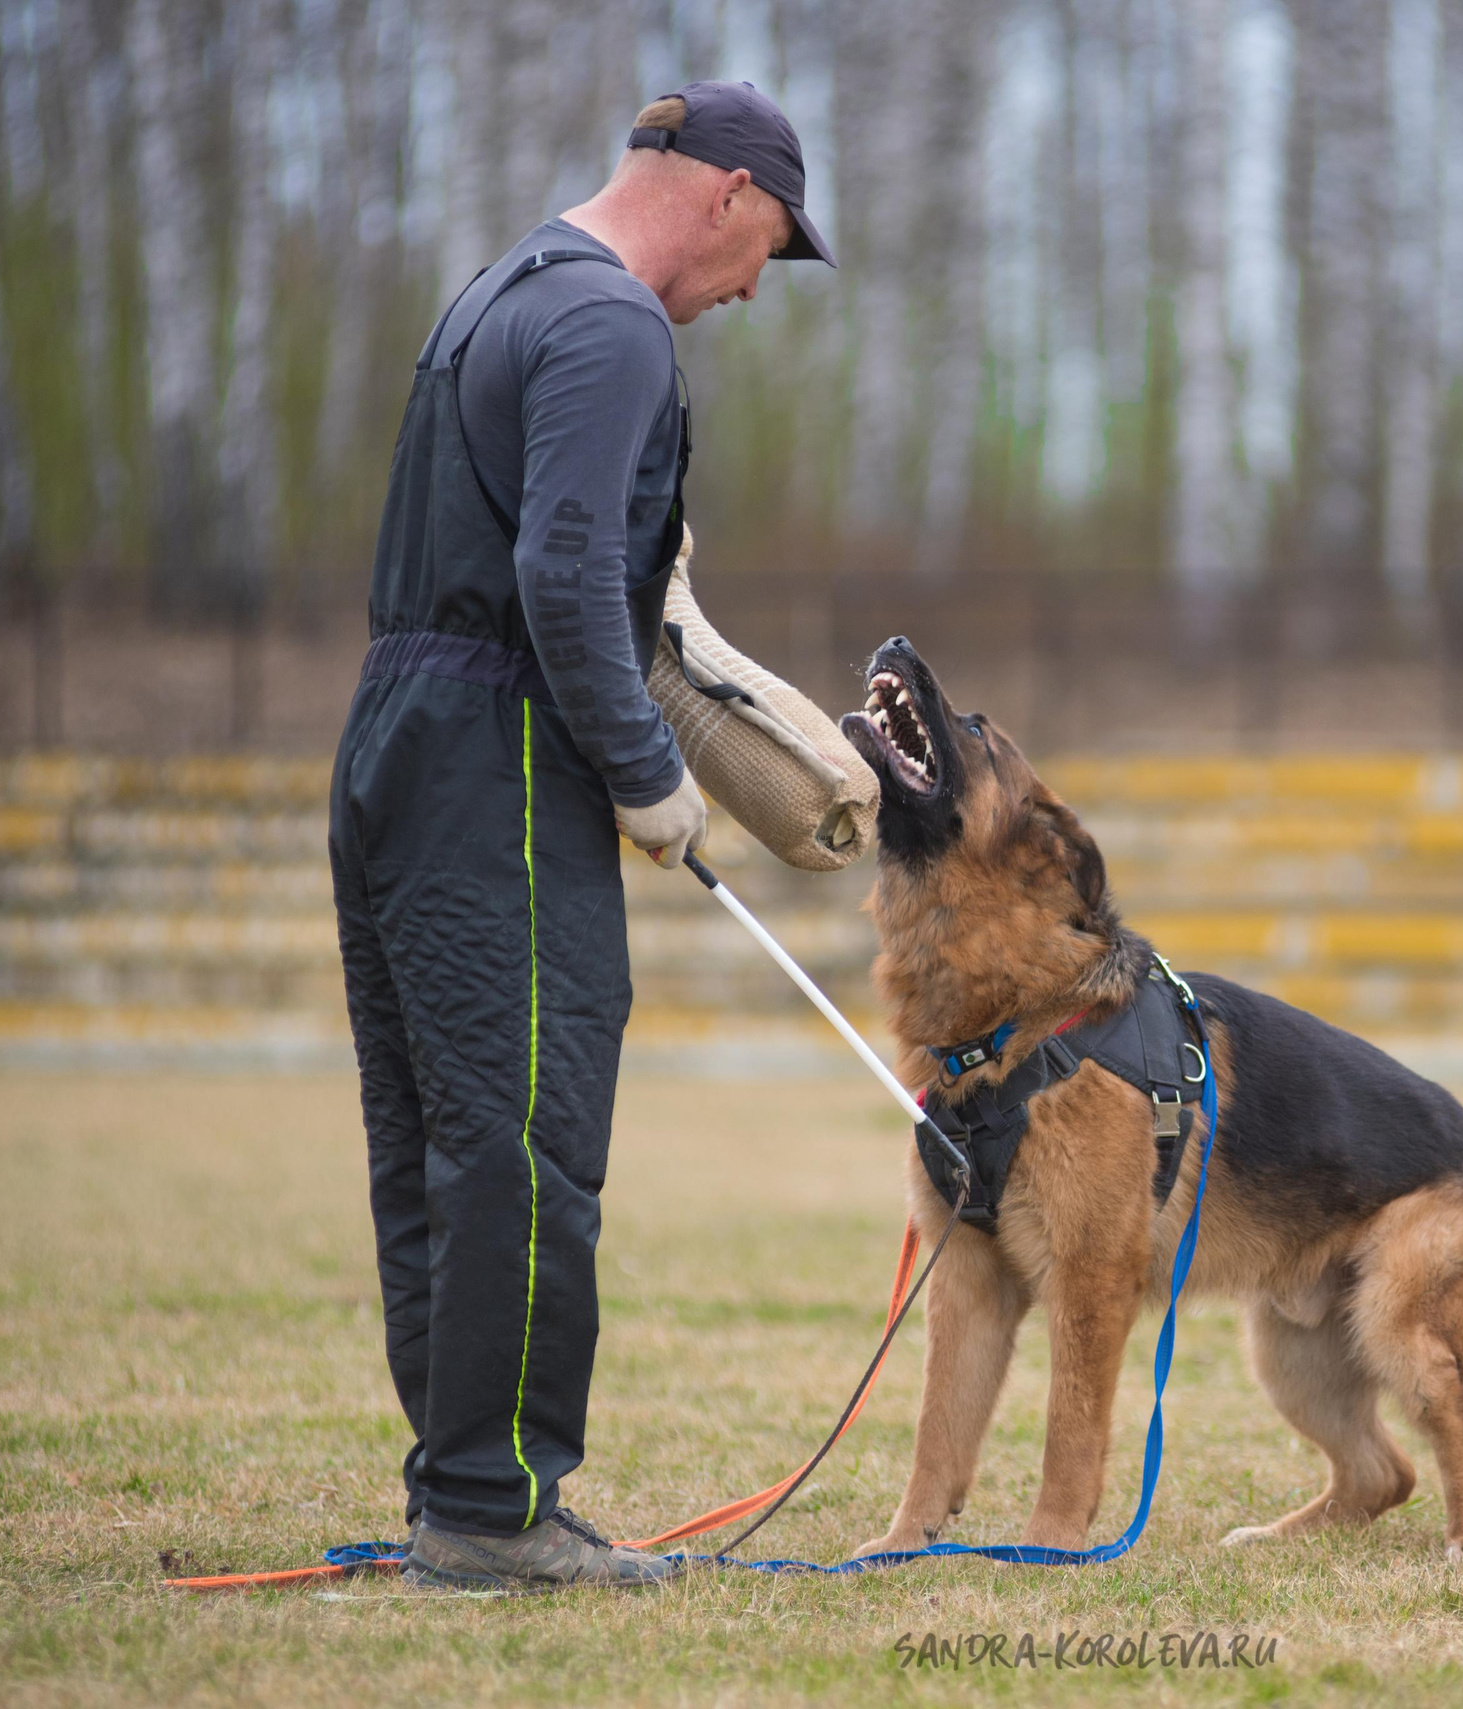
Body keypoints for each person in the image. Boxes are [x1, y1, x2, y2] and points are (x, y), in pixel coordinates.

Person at [327, 81, 835, 1593]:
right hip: (503, 758)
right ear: (729, 195)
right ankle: (492, 1511)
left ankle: (463, 1490)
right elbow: (561, 570)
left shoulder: (500, 288)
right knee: (528, 1137)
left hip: (392, 740)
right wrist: (644, 774)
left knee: (436, 1139)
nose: (753, 290)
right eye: (772, 250)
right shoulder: (615, 326)